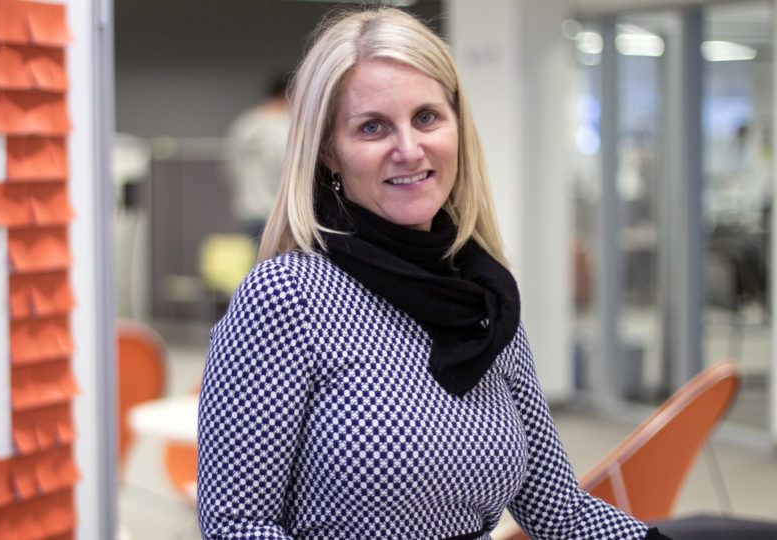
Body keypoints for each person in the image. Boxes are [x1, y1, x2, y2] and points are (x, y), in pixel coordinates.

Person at [196, 7, 671, 540]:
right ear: (328, 151)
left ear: (457, 127)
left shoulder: (484, 298)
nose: (408, 149)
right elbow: (237, 525)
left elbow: (561, 512)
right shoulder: (289, 297)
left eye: (426, 118)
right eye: (372, 127)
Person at [223, 73, 291, 241]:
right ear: (288, 95)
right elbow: (286, 171)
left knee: (259, 256)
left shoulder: (244, 124)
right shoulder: (284, 127)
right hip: (278, 212)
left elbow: (230, 169)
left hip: (248, 211)